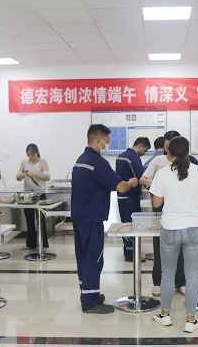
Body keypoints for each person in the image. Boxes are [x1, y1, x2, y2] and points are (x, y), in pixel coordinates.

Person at [71, 124, 138, 314]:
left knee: (84, 257)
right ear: (98, 139)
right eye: (106, 141)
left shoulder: (81, 160)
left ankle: (88, 293)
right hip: (92, 218)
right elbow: (121, 187)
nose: (107, 145)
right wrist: (132, 182)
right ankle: (90, 302)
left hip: (80, 216)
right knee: (93, 258)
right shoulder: (97, 162)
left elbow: (97, 184)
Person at [150, 136, 198, 333]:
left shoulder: (162, 173)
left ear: (169, 152)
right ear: (188, 151)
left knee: (167, 274)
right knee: (192, 275)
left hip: (170, 228)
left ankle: (165, 315)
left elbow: (156, 204)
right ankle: (191, 320)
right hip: (193, 228)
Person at [140, 130, 197, 297]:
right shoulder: (158, 161)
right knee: (160, 246)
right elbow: (142, 178)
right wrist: (152, 182)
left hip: (183, 209)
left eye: (169, 146)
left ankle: (181, 282)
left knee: (182, 248)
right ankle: (158, 282)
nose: (167, 150)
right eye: (165, 146)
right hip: (161, 208)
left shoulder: (192, 162)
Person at [116, 137, 150, 262]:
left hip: (121, 195)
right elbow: (140, 177)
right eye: (145, 150)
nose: (144, 153)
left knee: (125, 224)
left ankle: (127, 251)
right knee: (132, 225)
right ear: (140, 146)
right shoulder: (133, 158)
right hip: (131, 196)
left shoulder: (121, 156)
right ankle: (132, 255)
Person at [16, 144, 51, 250]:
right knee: (29, 220)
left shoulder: (42, 162)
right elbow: (17, 177)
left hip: (39, 194)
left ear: (37, 152)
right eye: (28, 155)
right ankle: (30, 243)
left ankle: (43, 244)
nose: (30, 157)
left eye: (32, 155)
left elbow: (47, 177)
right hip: (27, 195)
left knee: (41, 220)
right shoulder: (24, 162)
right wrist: (21, 176)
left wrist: (34, 175)